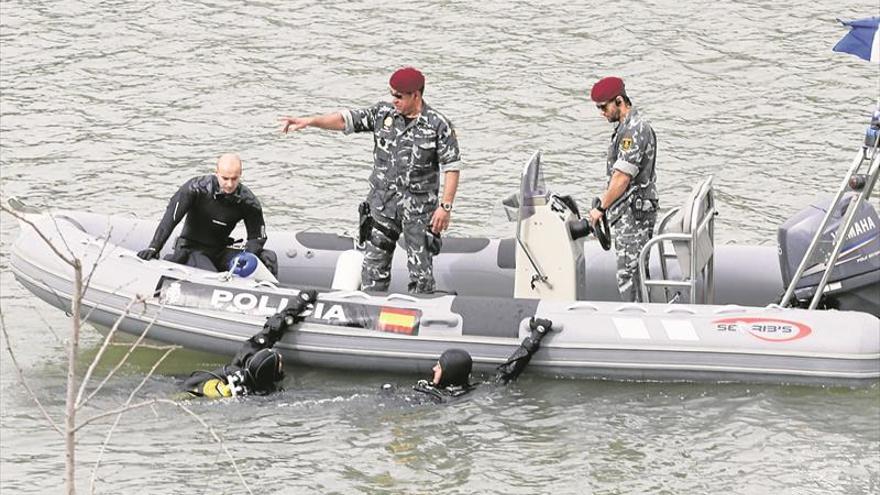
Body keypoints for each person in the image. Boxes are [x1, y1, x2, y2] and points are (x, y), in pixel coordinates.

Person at [280, 67, 461, 294]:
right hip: (382, 207)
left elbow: (451, 167)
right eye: (391, 94)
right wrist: (311, 121)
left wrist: (445, 207)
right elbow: (345, 120)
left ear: (416, 95)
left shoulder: (437, 125)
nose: (393, 100)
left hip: (419, 212)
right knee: (373, 270)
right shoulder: (382, 114)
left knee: (421, 274)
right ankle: (367, 316)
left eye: (399, 96)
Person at [137, 153, 278, 276]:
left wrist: (248, 256)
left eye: (234, 179)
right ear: (216, 172)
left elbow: (257, 237)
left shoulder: (248, 201)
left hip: (220, 251)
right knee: (210, 273)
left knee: (269, 257)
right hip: (191, 249)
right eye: (225, 178)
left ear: (240, 174)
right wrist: (154, 247)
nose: (229, 184)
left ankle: (271, 295)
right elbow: (170, 219)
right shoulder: (195, 189)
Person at [587, 77, 658, 302]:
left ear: (619, 101)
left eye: (603, 107)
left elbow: (621, 178)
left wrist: (600, 209)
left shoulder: (634, 131)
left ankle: (636, 320)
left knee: (629, 275)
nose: (601, 113)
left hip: (633, 216)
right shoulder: (624, 129)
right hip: (627, 213)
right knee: (634, 272)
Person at [385, 317, 554, 404]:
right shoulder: (477, 389)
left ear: (449, 373)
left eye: (439, 366)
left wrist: (387, 392)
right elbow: (509, 371)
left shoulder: (433, 397)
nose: (434, 369)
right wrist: (536, 336)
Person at [183, 289, 317, 398]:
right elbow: (193, 386)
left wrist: (299, 302)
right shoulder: (262, 394)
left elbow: (270, 330)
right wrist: (218, 390)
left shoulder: (247, 355)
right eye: (279, 364)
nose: (282, 363)